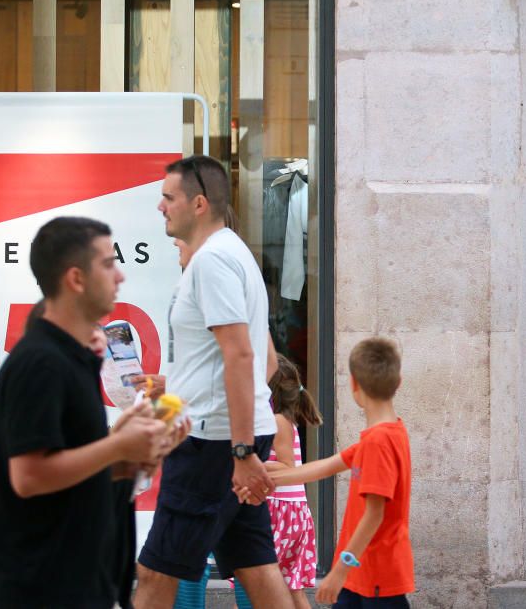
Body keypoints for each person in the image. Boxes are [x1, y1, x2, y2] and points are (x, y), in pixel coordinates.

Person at [0, 216, 170, 608]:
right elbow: (30, 476)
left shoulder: (73, 359)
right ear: (76, 279)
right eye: (107, 263)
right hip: (42, 589)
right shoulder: (40, 363)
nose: (119, 276)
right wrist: (118, 446)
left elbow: (77, 470)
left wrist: (136, 458)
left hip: (80, 581)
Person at [135, 156, 292, 608]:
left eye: (168, 197)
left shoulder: (213, 262)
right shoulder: (228, 253)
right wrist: (176, 385)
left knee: (155, 572)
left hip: (214, 444)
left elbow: (243, 354)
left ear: (199, 203)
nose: (160, 207)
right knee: (256, 567)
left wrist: (241, 451)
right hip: (225, 438)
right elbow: (246, 359)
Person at [242, 337, 415, 608]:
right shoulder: (387, 434)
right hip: (359, 572)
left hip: (375, 573)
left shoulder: (378, 441)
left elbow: (375, 513)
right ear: (399, 382)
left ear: (354, 384)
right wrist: (251, 474)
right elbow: (316, 469)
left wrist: (340, 569)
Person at [262, 353, 323, 608]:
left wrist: (252, 463)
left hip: (281, 511)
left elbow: (287, 466)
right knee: (291, 588)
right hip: (290, 511)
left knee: (259, 584)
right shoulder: (282, 420)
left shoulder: (278, 421)